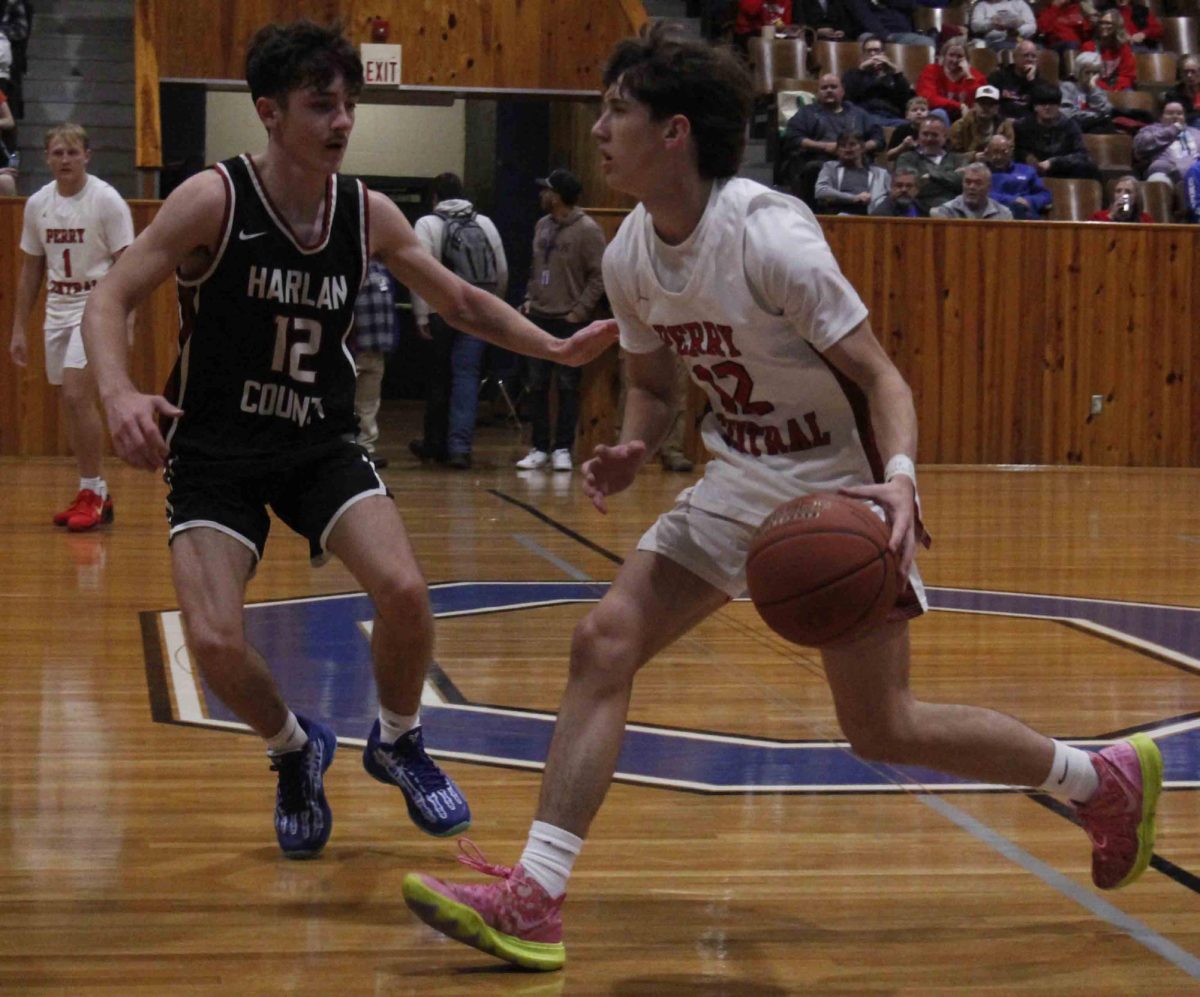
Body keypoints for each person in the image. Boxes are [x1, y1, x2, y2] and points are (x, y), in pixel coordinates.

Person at [402, 25, 1163, 972]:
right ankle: (536, 895)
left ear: (675, 131)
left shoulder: (771, 239)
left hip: (838, 492)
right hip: (736, 481)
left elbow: (882, 379)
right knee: (604, 639)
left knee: (883, 726)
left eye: (616, 111)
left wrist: (899, 480)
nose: (597, 128)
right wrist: (635, 442)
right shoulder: (631, 253)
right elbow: (653, 385)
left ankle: (1098, 777)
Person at [80, 21, 616, 861]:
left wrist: (551, 347)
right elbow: (108, 298)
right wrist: (118, 392)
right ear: (268, 112)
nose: (341, 121)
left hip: (319, 440)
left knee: (405, 590)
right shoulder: (214, 200)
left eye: (349, 105)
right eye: (320, 104)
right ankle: (294, 746)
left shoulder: (366, 211)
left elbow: (462, 302)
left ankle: (397, 738)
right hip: (216, 449)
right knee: (215, 640)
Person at [9, 123, 134, 531]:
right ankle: (96, 488)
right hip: (58, 305)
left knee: (79, 395)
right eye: (57, 153)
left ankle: (92, 492)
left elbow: (130, 266)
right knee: (70, 400)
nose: (65, 160)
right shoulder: (38, 204)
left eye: (72, 152)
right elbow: (31, 269)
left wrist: (125, 321)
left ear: (87, 155)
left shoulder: (106, 201)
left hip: (97, 303)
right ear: (46, 158)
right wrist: (18, 328)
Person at [409, 171, 508, 470]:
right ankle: (460, 449)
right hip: (476, 314)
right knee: (467, 376)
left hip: (442, 310)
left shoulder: (428, 224)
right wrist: (494, 307)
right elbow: (501, 270)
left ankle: (434, 444)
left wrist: (421, 313)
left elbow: (418, 272)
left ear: (435, 197)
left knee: (439, 378)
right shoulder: (485, 223)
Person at [513, 168, 607, 473]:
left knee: (567, 385)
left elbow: (598, 275)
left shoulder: (588, 230)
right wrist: (529, 298)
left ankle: (563, 447)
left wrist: (578, 312)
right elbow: (534, 267)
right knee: (536, 385)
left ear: (558, 196)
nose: (542, 195)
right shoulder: (541, 225)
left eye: (547, 190)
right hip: (538, 315)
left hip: (568, 318)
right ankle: (539, 446)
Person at [782, 73, 883, 205]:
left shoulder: (859, 113)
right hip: (820, 161)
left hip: (858, 163)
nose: (829, 90)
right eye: (824, 88)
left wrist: (858, 149)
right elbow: (793, 137)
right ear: (818, 92)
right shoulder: (807, 113)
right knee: (811, 169)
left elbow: (878, 139)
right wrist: (824, 146)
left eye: (833, 87)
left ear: (842, 91)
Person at [350, 259, 397, 469]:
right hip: (353, 349)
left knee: (369, 403)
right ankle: (344, 447)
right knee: (344, 400)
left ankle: (366, 449)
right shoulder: (349, 266)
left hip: (376, 349)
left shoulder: (382, 269)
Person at [1014, 83, 1102, 180]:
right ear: (1035, 107)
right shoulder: (1023, 126)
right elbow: (1017, 150)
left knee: (1089, 168)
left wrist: (1053, 163)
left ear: (1059, 105)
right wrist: (1026, 157)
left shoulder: (1070, 125)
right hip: (1030, 172)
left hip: (1062, 171)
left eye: (1052, 103)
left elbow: (1081, 155)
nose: (1047, 107)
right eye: (1043, 103)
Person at [896, 114, 967, 211]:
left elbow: (963, 184)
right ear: (919, 135)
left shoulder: (958, 159)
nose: (929, 139)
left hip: (954, 211)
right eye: (925, 134)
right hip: (918, 211)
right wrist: (951, 179)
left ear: (945, 136)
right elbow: (912, 187)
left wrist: (930, 176)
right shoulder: (906, 158)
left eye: (934, 135)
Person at [841, 35, 916, 128]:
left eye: (877, 50)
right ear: (863, 55)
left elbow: (905, 100)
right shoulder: (853, 74)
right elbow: (847, 98)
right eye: (869, 51)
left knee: (909, 127)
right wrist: (861, 70)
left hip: (892, 117)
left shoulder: (894, 75)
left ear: (883, 54)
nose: (873, 54)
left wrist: (895, 72)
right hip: (865, 117)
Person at [814, 131, 890, 214]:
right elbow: (820, 191)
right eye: (843, 146)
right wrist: (854, 198)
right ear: (838, 150)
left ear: (862, 148)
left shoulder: (880, 173)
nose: (847, 149)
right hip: (838, 216)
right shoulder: (830, 167)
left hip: (872, 218)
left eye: (852, 144)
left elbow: (891, 197)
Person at [916, 38, 986, 123]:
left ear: (967, 59)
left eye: (959, 56)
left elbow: (979, 103)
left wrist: (968, 76)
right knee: (939, 113)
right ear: (944, 56)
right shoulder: (931, 70)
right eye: (951, 55)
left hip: (966, 120)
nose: (954, 60)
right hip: (937, 119)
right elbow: (929, 99)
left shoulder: (976, 76)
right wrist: (959, 106)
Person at [983, 133, 1053, 218]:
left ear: (1011, 151)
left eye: (1004, 152)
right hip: (994, 217)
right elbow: (981, 194)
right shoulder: (982, 172)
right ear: (987, 152)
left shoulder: (1027, 171)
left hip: (1025, 216)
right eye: (995, 152)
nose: (999, 157)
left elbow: (1045, 195)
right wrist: (1012, 200)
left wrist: (1029, 201)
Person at [1134, 100, 1200, 188]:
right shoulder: (1151, 130)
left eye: (1179, 113)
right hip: (1164, 173)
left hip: (1195, 174)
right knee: (1156, 180)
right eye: (1170, 113)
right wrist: (1172, 130)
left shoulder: (1196, 133)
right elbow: (1140, 145)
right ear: (1161, 117)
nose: (1175, 116)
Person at [949, 84, 1014, 160]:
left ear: (997, 108)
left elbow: (1010, 151)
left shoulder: (1005, 126)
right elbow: (952, 157)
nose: (986, 108)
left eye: (990, 104)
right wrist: (973, 157)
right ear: (974, 105)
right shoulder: (959, 126)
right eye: (982, 103)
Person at [987, 39, 1046, 120]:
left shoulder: (1040, 82)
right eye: (1026, 55)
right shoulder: (998, 77)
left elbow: (1043, 107)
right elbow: (988, 103)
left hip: (1029, 125)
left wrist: (1032, 80)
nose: (1030, 59)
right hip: (1004, 122)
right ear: (1015, 57)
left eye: (1033, 56)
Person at [930, 161, 1013, 218]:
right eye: (968, 182)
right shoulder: (947, 211)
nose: (972, 187)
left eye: (978, 183)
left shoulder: (1003, 214)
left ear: (989, 187)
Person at [1059, 51, 1115, 134]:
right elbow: (1066, 113)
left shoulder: (1097, 90)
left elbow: (1107, 111)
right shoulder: (1068, 87)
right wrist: (1092, 115)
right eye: (1087, 72)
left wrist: (1093, 89)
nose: (1091, 77)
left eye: (1095, 73)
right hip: (1075, 127)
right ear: (1079, 72)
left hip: (1095, 126)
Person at [1082, 11, 1136, 91]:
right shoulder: (1089, 47)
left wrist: (1117, 89)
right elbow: (1088, 76)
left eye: (1108, 23)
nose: (1103, 26)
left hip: (1117, 88)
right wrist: (1107, 90)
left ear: (1117, 26)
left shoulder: (1124, 49)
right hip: (1096, 87)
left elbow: (1127, 75)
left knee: (1129, 91)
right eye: (1101, 23)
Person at [968, 0, 1036, 51]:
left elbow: (1032, 25)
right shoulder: (982, 6)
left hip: (1018, 39)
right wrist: (992, 24)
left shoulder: (1019, 3)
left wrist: (1018, 31)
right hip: (992, 41)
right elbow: (975, 26)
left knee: (1035, 48)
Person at [884, 94, 930, 163]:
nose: (919, 112)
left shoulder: (931, 131)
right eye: (914, 110)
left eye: (923, 110)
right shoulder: (901, 130)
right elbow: (889, 156)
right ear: (907, 115)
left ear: (928, 114)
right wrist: (903, 146)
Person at [1088, 173, 1154, 220]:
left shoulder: (1145, 220)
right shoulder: (1098, 217)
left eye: (1128, 192)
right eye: (1118, 191)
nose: (1122, 195)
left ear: (1136, 198)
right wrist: (1112, 215)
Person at [1164, 55, 1200, 127]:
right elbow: (1175, 118)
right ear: (1180, 74)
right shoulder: (1173, 94)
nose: (1189, 75)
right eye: (1185, 72)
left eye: (1193, 71)